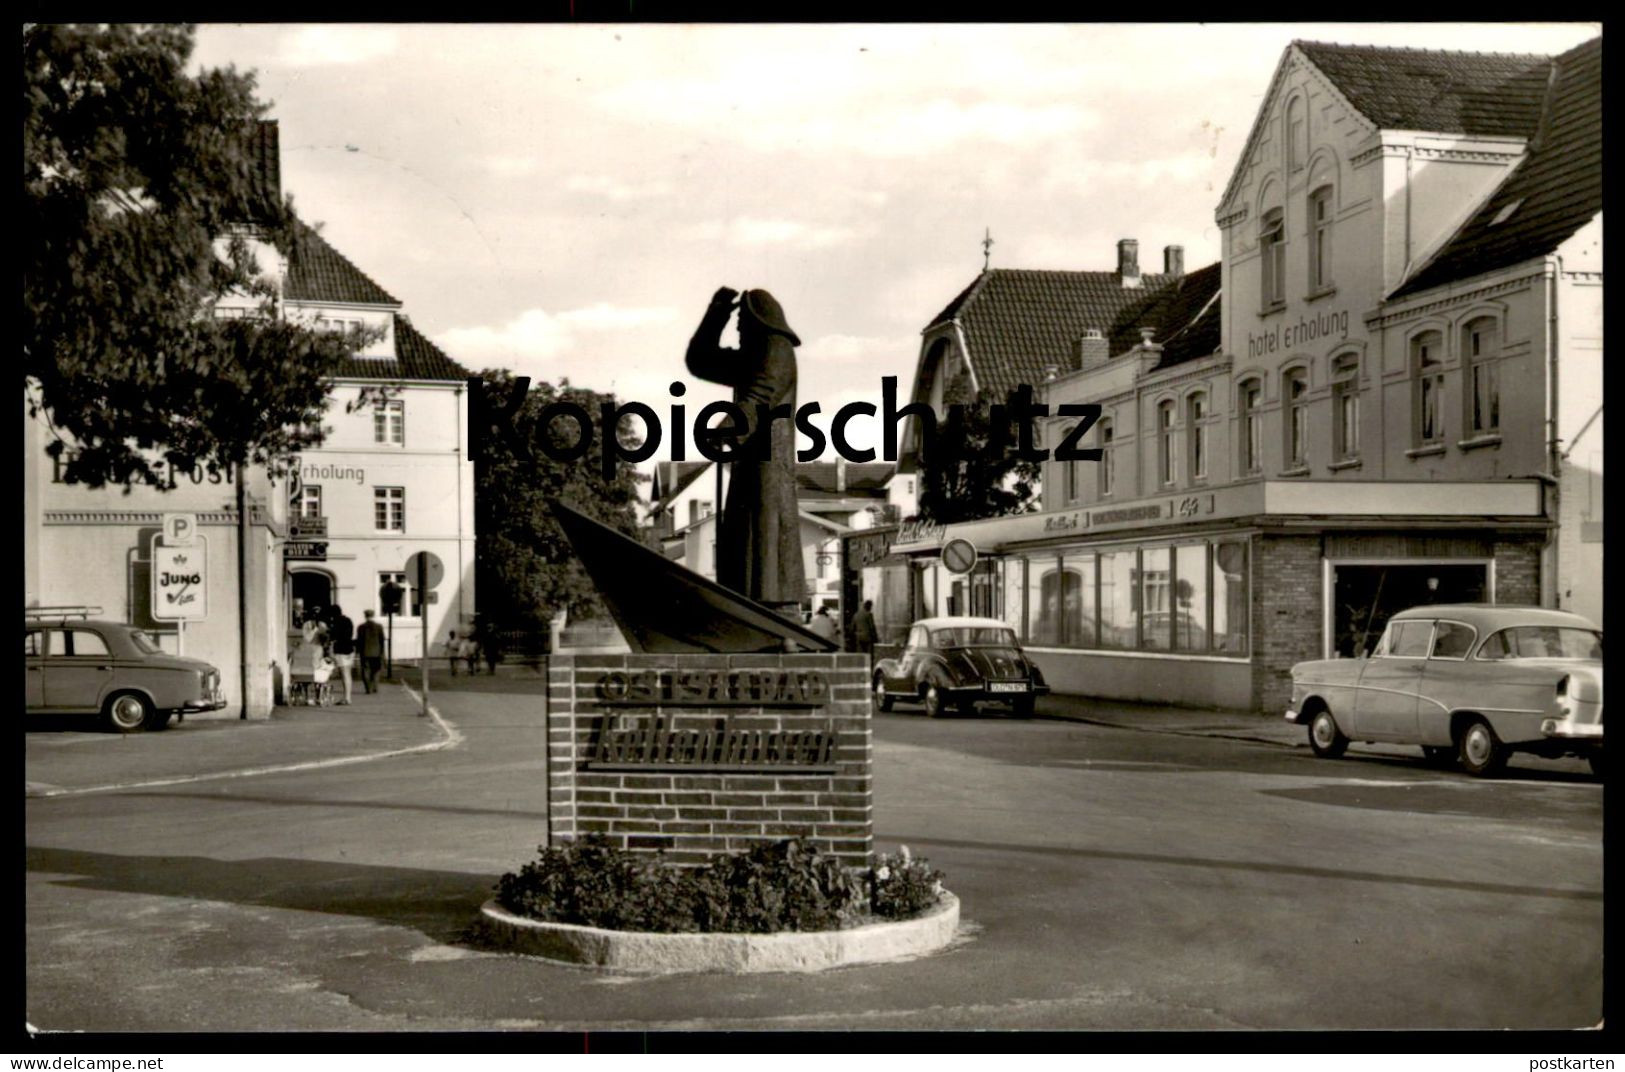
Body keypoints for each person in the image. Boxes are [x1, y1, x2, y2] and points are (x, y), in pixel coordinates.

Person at [686, 286, 806, 619]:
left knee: (767, 527)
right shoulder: (752, 356)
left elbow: (763, 392)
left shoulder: (777, 349)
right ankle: (747, 603)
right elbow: (700, 361)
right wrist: (717, 312)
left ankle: (777, 608)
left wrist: (729, 427)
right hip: (749, 459)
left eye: (741, 321)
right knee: (746, 528)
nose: (738, 329)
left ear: (759, 321)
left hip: (769, 463)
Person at [327, 605, 356, 705]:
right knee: (348, 673)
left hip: (341, 650)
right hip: (350, 649)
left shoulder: (336, 622)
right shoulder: (348, 620)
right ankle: (348, 696)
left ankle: (347, 698)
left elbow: (333, 636)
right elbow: (350, 634)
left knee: (344, 674)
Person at [356, 609, 386, 694]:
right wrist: (382, 652)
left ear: (365, 616)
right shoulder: (379, 626)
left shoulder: (361, 627)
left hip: (365, 652)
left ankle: (368, 688)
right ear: (373, 616)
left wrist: (358, 651)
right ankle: (375, 686)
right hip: (376, 652)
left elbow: (359, 641)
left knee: (365, 670)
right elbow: (382, 640)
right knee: (376, 670)